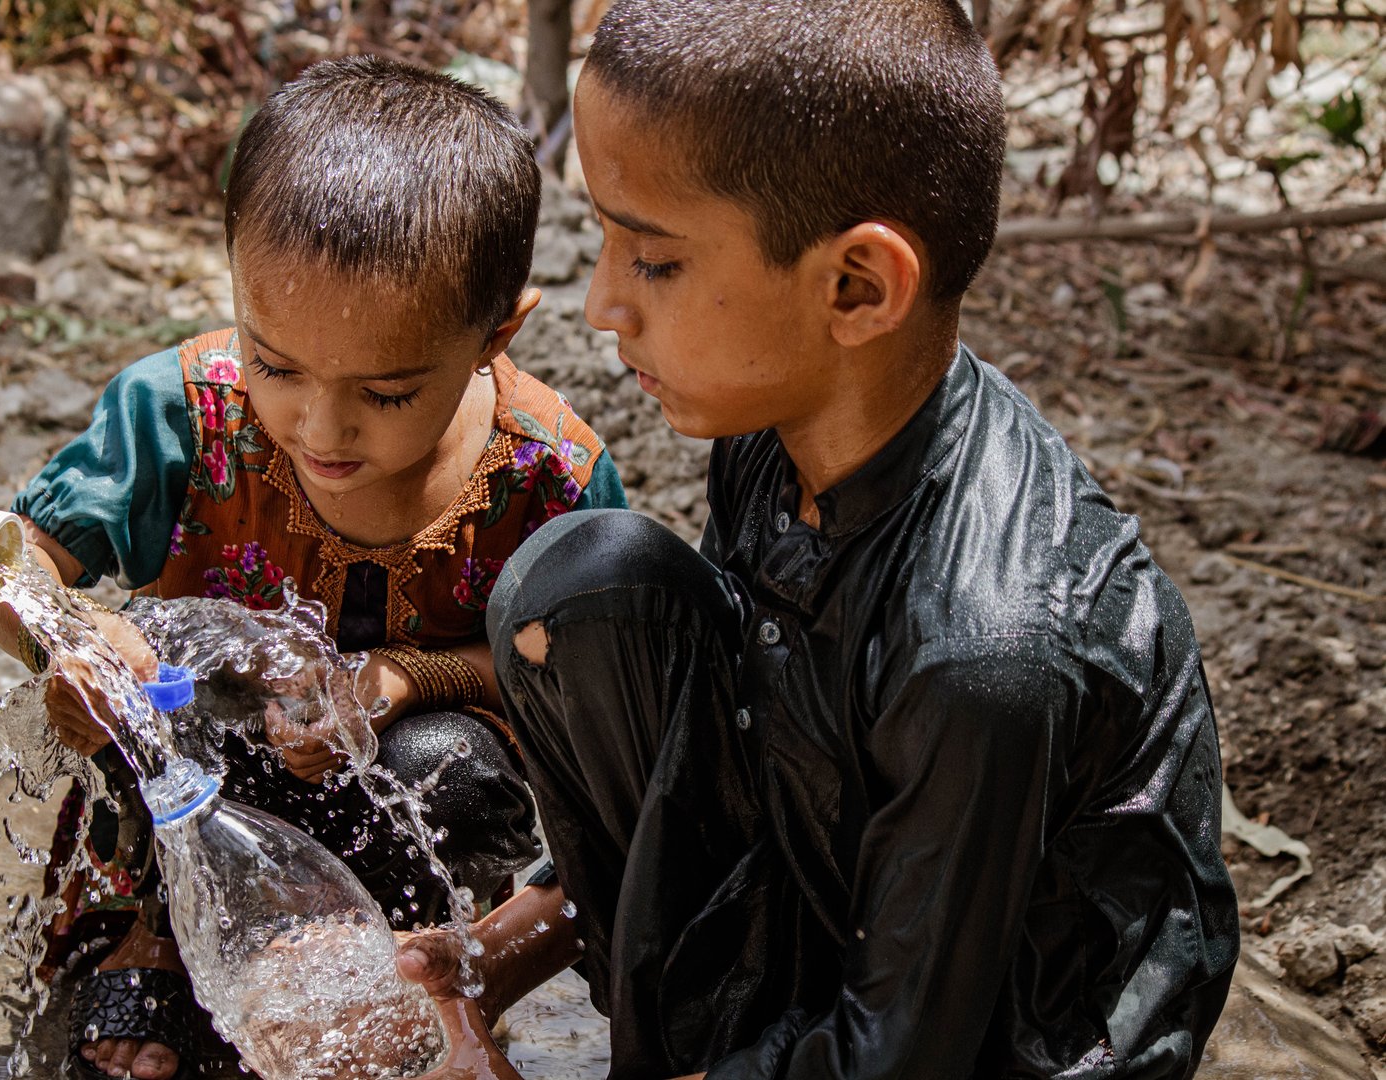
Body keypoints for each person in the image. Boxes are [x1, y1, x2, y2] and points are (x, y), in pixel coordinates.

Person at [397, 2, 1240, 1078]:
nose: (604, 302)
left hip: (1000, 1031)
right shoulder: (787, 424)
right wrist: (494, 953)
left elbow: (902, 1054)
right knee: (581, 599)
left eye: (651, 260)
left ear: (857, 287)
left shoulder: (984, 653)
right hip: (869, 906)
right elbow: (731, 740)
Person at [0, 55, 627, 1080]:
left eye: (389, 390)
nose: (320, 427)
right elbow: (7, 570)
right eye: (275, 363)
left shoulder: (546, 478)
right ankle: (146, 940)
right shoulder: (183, 415)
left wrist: (413, 676)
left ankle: (413, 983)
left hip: (402, 816)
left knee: (444, 762)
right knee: (153, 704)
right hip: (185, 813)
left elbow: (599, 694)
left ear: (495, 334)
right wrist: (74, 642)